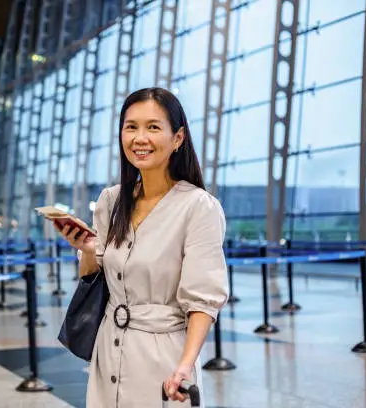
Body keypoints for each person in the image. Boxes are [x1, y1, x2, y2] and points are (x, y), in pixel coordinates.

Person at [54, 87, 229, 407]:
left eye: (153, 127)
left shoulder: (198, 207)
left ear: (178, 138)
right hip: (109, 349)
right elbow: (96, 278)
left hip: (163, 358)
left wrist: (185, 366)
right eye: (131, 126)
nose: (139, 137)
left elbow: (203, 300)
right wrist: (89, 249)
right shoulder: (111, 201)